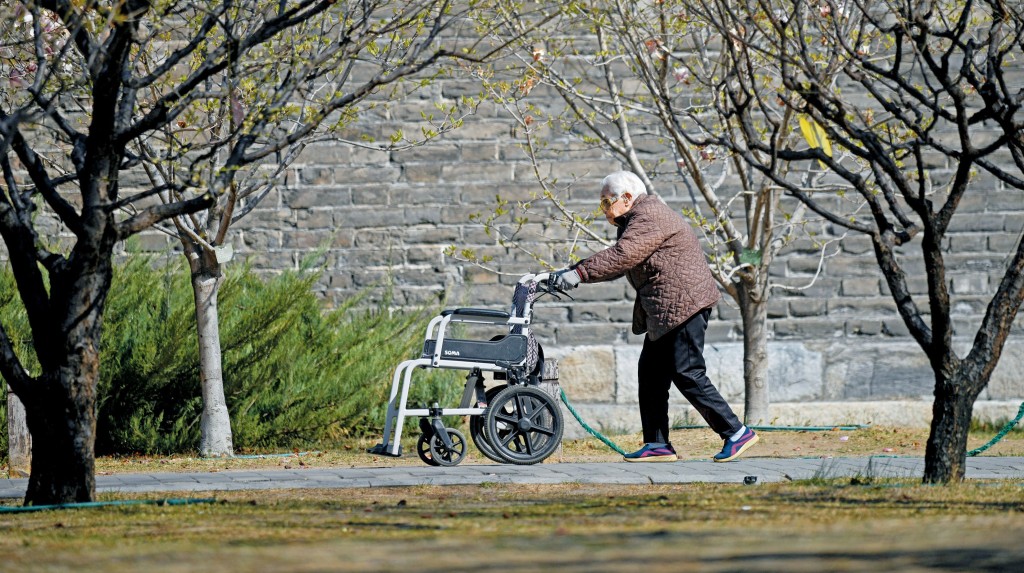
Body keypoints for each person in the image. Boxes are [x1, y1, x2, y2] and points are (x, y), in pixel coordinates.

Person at [552, 171, 758, 463]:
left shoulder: (648, 216)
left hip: (684, 305)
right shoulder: (636, 219)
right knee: (650, 375)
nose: (604, 209)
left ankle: (736, 433)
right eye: (602, 204)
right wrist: (574, 271)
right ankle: (657, 445)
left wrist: (580, 273)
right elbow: (622, 261)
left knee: (687, 371)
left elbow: (623, 255)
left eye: (607, 202)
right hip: (666, 311)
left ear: (627, 198)